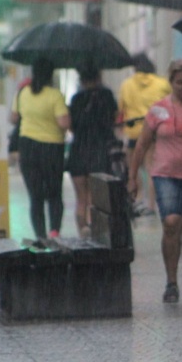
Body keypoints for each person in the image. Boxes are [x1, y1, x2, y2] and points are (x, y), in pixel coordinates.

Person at [127, 60, 182, 304]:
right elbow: (141, 144)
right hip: (166, 174)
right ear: (171, 82)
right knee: (172, 222)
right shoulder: (158, 110)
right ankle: (171, 282)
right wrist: (132, 178)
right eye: (180, 82)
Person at [10, 59, 69, 239]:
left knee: (35, 196)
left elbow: (13, 118)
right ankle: (54, 232)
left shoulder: (23, 93)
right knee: (54, 194)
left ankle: (40, 236)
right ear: (50, 75)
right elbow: (63, 123)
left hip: (28, 147)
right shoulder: (55, 95)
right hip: (52, 149)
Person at [66, 63, 118, 238]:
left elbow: (71, 127)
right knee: (96, 200)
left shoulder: (75, 99)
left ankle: (83, 235)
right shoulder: (107, 96)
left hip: (78, 151)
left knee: (81, 198)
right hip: (99, 151)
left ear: (81, 79)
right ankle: (96, 235)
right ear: (99, 77)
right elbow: (113, 120)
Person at [118, 53, 171, 216]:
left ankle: (138, 198)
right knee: (151, 168)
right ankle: (151, 205)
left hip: (134, 132)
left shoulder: (126, 85)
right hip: (155, 132)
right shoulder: (162, 84)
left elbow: (122, 109)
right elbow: (170, 105)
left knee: (132, 167)